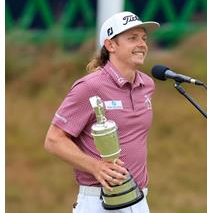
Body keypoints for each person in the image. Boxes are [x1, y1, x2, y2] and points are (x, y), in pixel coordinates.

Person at [44, 11, 160, 213]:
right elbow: (54, 139)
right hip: (98, 202)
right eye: (132, 38)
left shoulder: (147, 84)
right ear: (110, 45)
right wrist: (96, 167)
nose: (142, 44)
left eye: (143, 38)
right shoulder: (89, 87)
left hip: (140, 199)